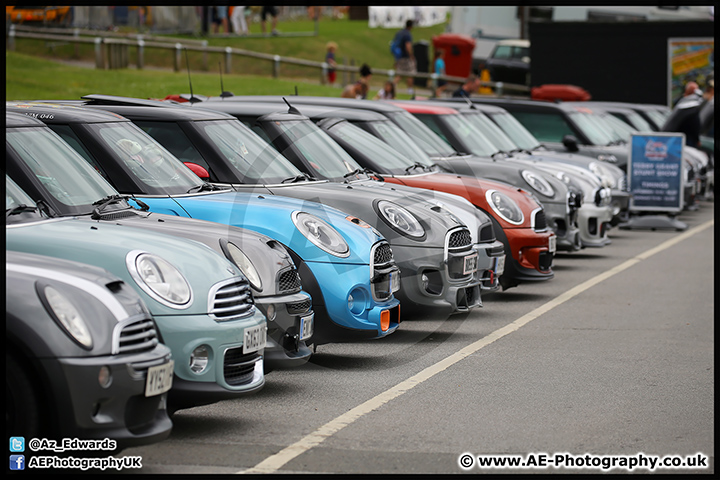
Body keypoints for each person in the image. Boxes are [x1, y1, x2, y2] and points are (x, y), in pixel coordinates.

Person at [392, 20, 416, 99]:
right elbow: (408, 46)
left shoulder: (399, 33)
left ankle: (393, 86)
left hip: (399, 56)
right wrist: (411, 56)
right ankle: (409, 89)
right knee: (410, 73)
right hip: (406, 57)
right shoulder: (407, 34)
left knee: (399, 74)